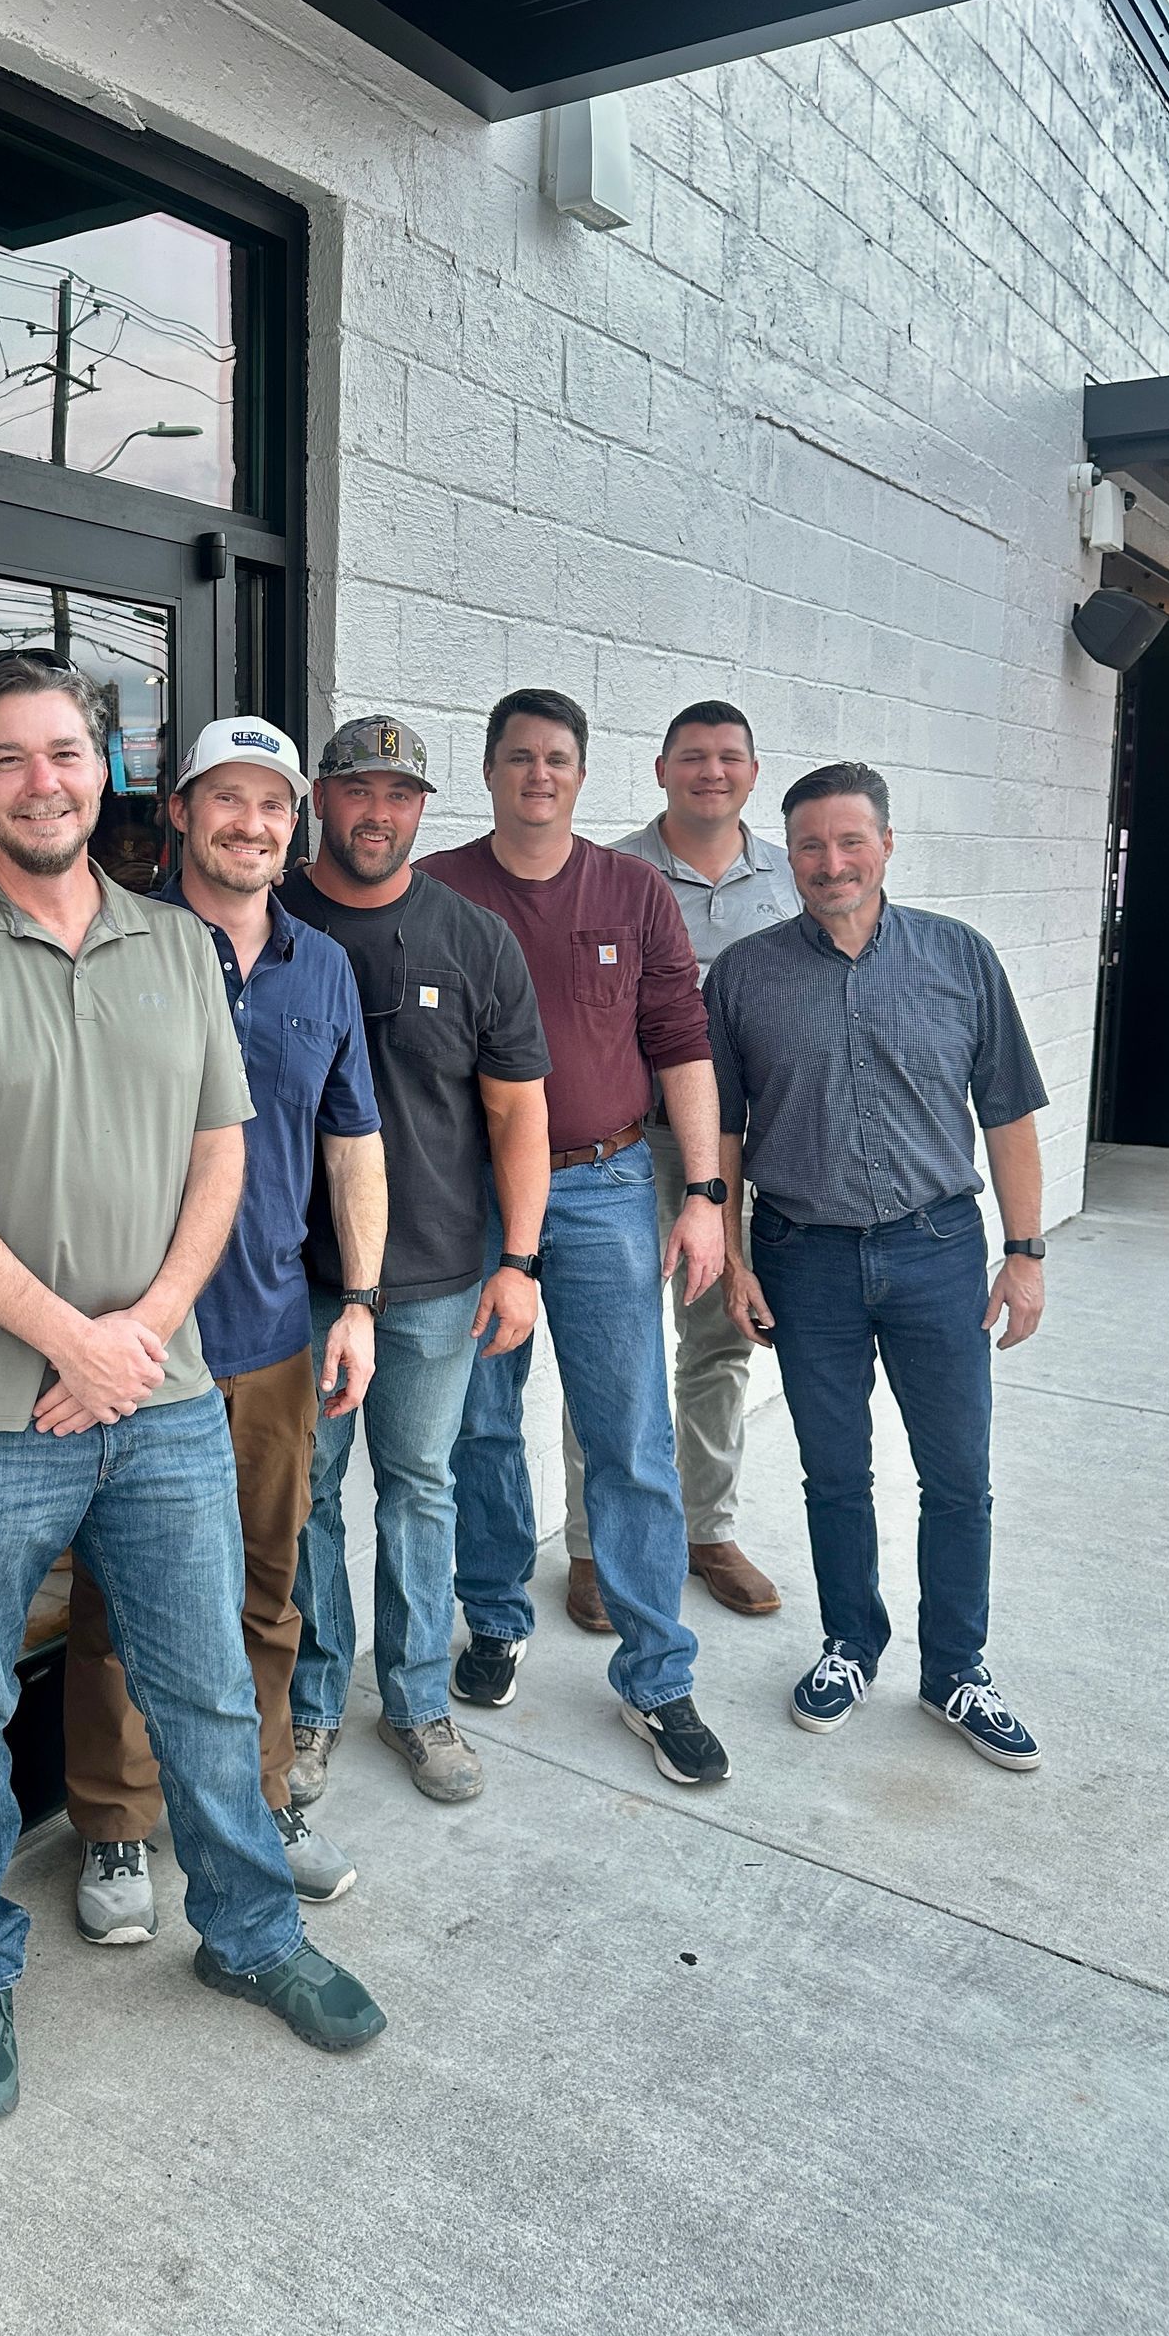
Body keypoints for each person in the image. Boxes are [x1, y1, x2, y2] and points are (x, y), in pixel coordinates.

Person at [0, 653, 385, 2123]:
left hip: (167, 1398)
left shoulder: (175, 947)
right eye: (7, 757)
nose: (41, 782)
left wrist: (139, 1330)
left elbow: (224, 1155)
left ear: (107, 768)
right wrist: (71, 1344)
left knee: (205, 1689)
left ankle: (251, 1934)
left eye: (64, 752)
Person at [709, 760, 1048, 1769]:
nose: (831, 862)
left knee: (959, 1475)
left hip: (937, 1251)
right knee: (833, 1472)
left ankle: (956, 1669)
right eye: (810, 845)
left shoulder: (960, 957)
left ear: (887, 845)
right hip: (802, 1257)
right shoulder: (745, 976)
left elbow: (1009, 1115)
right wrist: (734, 1258)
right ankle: (851, 1643)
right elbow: (722, 1134)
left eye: (851, 840)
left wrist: (1025, 1253)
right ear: (788, 857)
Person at [429, 690, 734, 1788]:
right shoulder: (438, 889)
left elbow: (681, 1041)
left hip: (604, 1184)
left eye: (557, 758)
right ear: (489, 770)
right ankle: (495, 1616)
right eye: (519, 757)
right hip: (469, 1198)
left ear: (582, 773)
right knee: (481, 1423)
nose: (538, 775)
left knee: (630, 1433)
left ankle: (658, 1675)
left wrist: (704, 1193)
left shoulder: (632, 890)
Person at [282, 715, 552, 1807]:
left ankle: (416, 1700)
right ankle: (309, 1705)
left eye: (399, 795)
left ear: (423, 810)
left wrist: (519, 1260)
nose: (377, 813)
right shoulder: (264, 916)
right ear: (321, 798)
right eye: (358, 790)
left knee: (420, 1488)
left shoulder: (475, 938)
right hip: (294, 1275)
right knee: (306, 1495)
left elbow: (519, 1114)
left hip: (438, 1273)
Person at [553, 701, 800, 1627]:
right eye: (692, 757)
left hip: (745, 1148)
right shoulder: (610, 874)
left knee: (719, 1344)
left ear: (753, 772)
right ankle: (593, 1547)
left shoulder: (789, 880)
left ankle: (708, 1529)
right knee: (610, 1349)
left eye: (729, 757)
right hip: (630, 1145)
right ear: (660, 769)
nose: (711, 771)